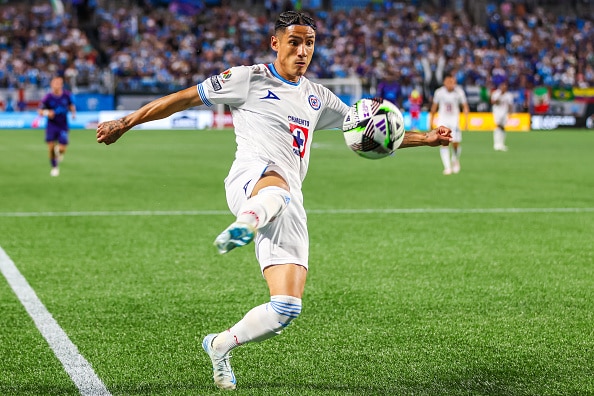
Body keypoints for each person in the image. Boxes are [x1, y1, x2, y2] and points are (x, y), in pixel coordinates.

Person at [96, 11, 452, 391]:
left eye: (310, 43)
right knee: (276, 189)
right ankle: (245, 224)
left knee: (286, 307)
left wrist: (426, 138)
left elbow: (369, 130)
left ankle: (219, 345)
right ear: (276, 43)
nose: (303, 51)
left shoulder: (318, 97)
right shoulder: (246, 78)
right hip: (250, 178)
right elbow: (182, 99)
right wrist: (126, 122)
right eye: (295, 42)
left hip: (288, 201)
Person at [429, 73, 469, 175]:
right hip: (443, 120)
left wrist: (466, 121)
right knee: (444, 142)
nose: (451, 84)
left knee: (455, 142)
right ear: (444, 82)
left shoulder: (459, 92)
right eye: (448, 82)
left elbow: (464, 106)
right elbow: (434, 107)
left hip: (454, 120)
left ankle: (455, 159)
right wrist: (431, 121)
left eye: (452, 82)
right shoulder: (439, 92)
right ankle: (447, 167)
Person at [38, 76, 76, 177]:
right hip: (51, 125)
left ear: (62, 84)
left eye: (59, 83)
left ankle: (59, 152)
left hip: (63, 125)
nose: (57, 85)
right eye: (55, 83)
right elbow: (40, 111)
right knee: (50, 147)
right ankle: (54, 167)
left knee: (62, 148)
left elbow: (71, 104)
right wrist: (47, 112)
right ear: (51, 84)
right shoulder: (48, 97)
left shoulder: (67, 95)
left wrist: (73, 112)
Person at [490, 81, 514, 151]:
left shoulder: (509, 95)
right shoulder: (496, 93)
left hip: (504, 113)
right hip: (497, 112)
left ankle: (501, 144)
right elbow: (493, 102)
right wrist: (500, 95)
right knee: (498, 126)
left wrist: (510, 113)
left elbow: (510, 105)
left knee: (503, 127)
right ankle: (496, 144)